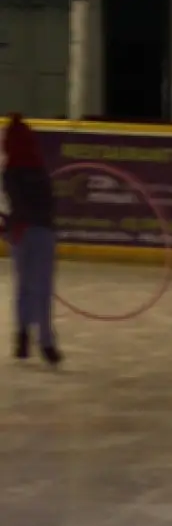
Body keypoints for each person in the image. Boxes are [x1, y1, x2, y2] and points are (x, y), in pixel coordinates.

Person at [1, 114, 60, 366]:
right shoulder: (38, 169)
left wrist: (8, 227)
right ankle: (45, 342)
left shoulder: (10, 172)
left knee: (25, 286)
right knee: (41, 288)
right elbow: (47, 204)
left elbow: (15, 205)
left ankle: (23, 337)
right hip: (40, 232)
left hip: (22, 233)